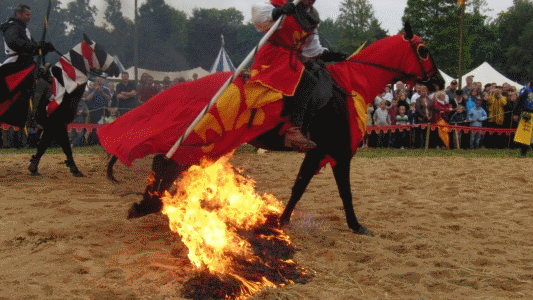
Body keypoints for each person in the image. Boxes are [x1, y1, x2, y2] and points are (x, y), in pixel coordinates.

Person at [250, 0, 347, 152]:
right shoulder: (283, 3)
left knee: (316, 75)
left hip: (294, 58)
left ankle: (304, 127)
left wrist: (328, 54)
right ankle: (293, 130)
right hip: (275, 56)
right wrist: (277, 12)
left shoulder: (311, 17)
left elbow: (311, 50)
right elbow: (258, 15)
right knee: (307, 80)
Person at [513, 81, 533, 156]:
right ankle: (523, 152)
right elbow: (519, 102)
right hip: (527, 113)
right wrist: (516, 113)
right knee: (525, 133)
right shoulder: (526, 90)